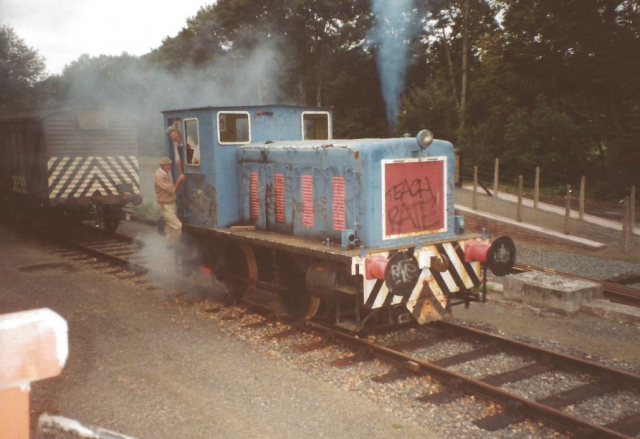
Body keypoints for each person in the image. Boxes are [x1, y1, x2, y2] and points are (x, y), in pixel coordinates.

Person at [154, 156, 185, 248]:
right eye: (166, 166)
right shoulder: (159, 176)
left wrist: (179, 168)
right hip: (165, 205)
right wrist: (179, 181)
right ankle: (172, 244)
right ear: (161, 165)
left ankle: (166, 244)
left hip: (171, 203)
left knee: (169, 226)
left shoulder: (167, 172)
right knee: (177, 226)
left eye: (169, 165)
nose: (168, 167)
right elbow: (172, 190)